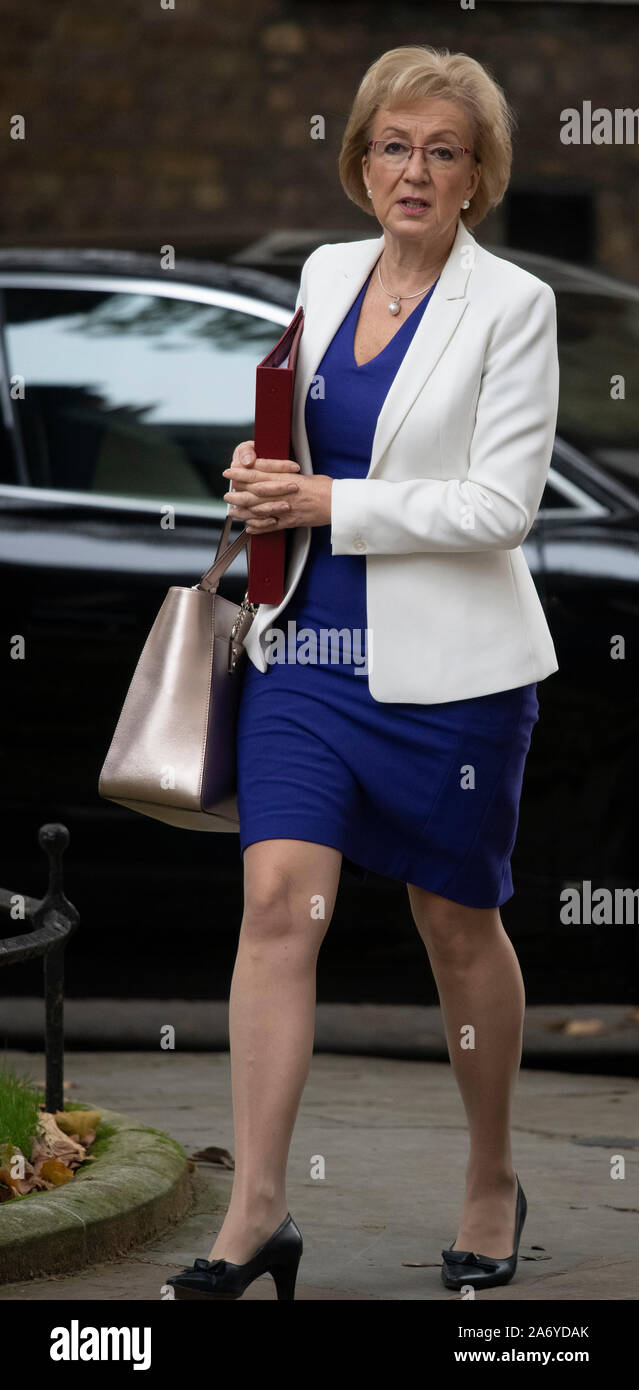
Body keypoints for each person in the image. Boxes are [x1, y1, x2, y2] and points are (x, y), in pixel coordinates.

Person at [167, 43, 559, 1300]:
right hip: (307, 639)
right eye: (395, 145)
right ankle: (261, 1210)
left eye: (444, 150)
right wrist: (265, 473)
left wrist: (329, 495)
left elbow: (500, 507)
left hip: (452, 670)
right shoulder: (326, 272)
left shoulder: (516, 307)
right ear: (362, 159)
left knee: (455, 928)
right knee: (279, 900)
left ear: (477, 173)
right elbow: (307, 430)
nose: (416, 170)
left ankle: (492, 1174)